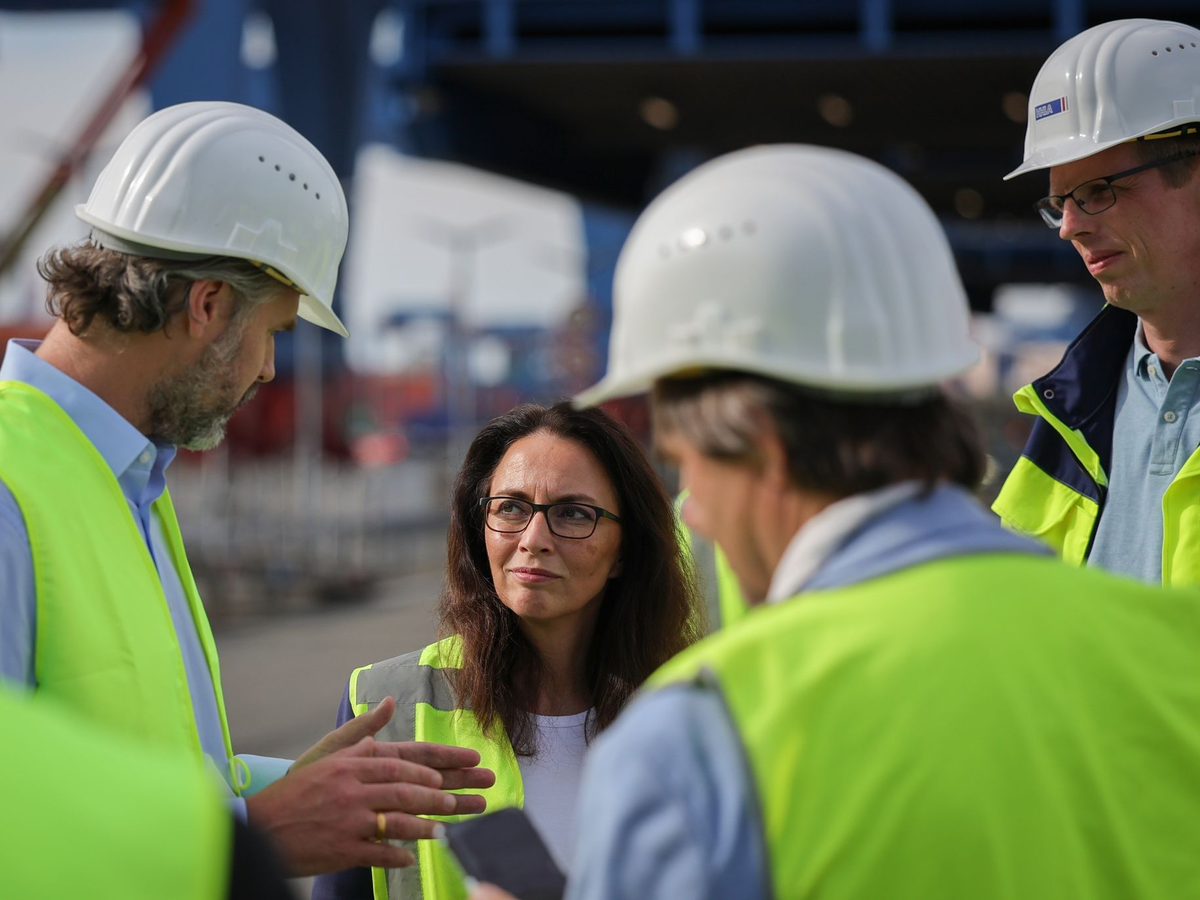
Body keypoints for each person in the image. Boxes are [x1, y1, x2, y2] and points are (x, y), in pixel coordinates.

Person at [473, 145, 1200, 900]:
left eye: (688, 466)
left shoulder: (705, 740)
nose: (694, 511)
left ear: (763, 448)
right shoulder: (1173, 654)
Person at [0, 101, 492, 877]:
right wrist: (253, 836)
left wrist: (295, 790)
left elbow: (132, 769)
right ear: (208, 305)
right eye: (275, 333)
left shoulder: (122, 479)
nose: (267, 369)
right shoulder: (11, 490)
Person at [314, 402, 701, 900]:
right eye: (511, 508)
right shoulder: (383, 704)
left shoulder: (694, 714)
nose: (533, 539)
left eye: (574, 513)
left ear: (625, 551)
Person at [993, 18, 1200, 585]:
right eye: (1059, 202)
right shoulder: (1069, 417)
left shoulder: (1073, 412)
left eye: (1098, 191)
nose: (1069, 227)